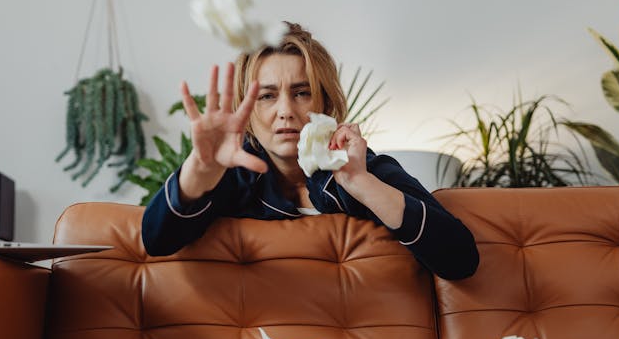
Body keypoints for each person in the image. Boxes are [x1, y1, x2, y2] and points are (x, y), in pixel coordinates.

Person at [141, 22, 479, 280]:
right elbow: (156, 241)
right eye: (267, 95)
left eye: (301, 93)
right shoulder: (232, 174)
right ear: (248, 108)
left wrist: (361, 184)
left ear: (325, 103)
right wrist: (198, 171)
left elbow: (460, 259)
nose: (286, 110)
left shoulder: (362, 167)